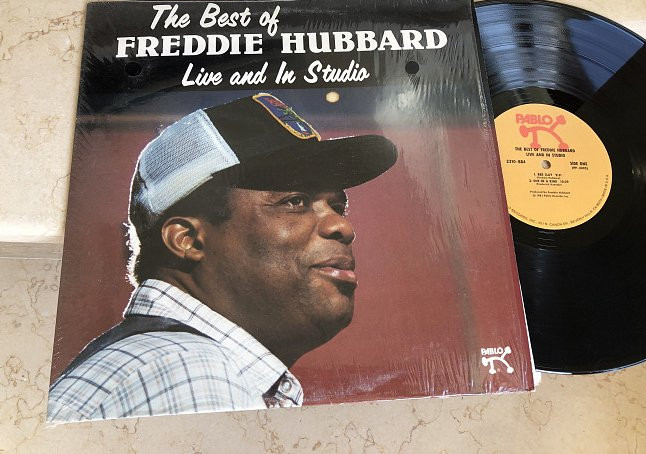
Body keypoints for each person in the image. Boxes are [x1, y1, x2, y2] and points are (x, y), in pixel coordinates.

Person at [47, 93, 397, 421]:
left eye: (338, 206)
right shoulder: (189, 371)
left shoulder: (160, 360)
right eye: (294, 201)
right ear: (186, 239)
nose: (342, 226)